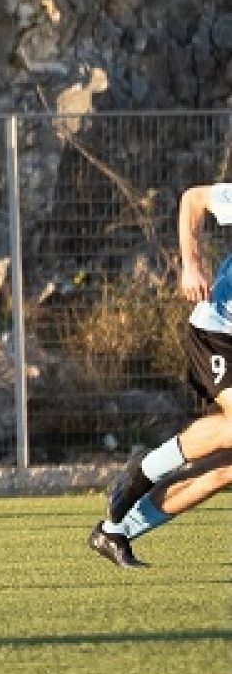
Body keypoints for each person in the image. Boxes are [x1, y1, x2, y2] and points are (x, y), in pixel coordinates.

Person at [89, 181, 232, 568]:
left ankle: (116, 531)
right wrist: (192, 265)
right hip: (219, 332)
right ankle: (146, 468)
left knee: (225, 470)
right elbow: (193, 199)